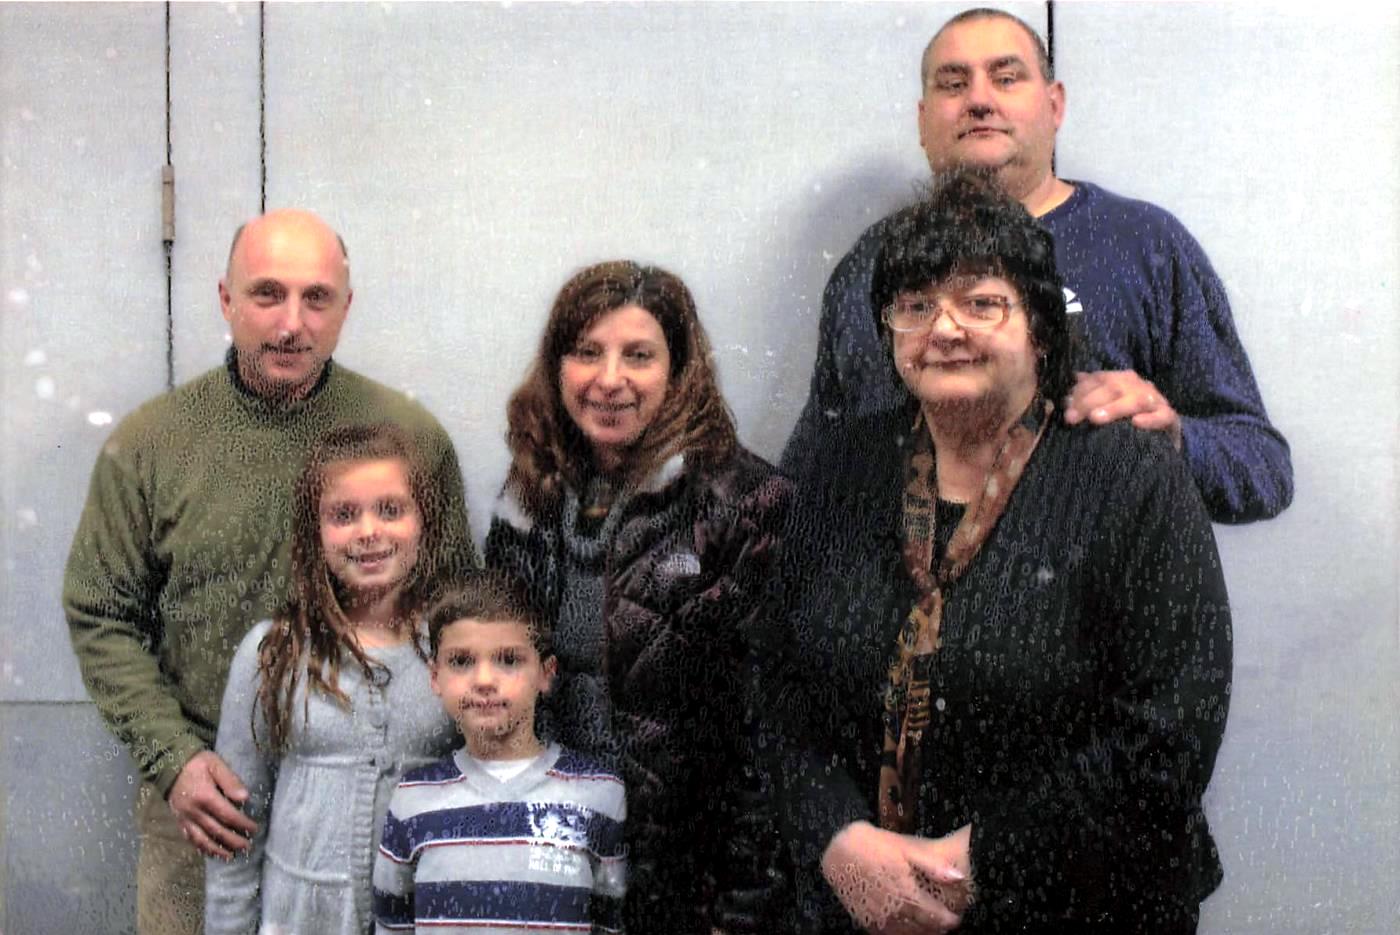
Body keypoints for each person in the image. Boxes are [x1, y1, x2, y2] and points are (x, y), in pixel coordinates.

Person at [761, 171, 1232, 933]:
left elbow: (1171, 731)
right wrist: (836, 837)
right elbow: (776, 685)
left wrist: (978, 861)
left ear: (1040, 327)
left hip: (1086, 907)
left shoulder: (1131, 474)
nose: (945, 329)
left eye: (982, 302)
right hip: (862, 903)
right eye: (916, 306)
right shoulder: (841, 468)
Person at [63, 209, 476, 934]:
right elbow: (102, 613)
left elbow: (458, 616)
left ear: (346, 307)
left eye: (316, 298)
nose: (292, 323)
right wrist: (174, 758)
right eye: (267, 294)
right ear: (226, 299)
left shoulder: (409, 439)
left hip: (384, 807)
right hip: (206, 805)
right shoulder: (152, 443)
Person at [782, 6, 1291, 524]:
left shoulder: (1146, 246)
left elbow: (1264, 471)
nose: (979, 100)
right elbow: (810, 480)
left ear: (1054, 104)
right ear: (922, 120)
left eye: (1006, 78)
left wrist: (1174, 437)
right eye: (953, 84)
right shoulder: (870, 264)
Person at [485, 260, 791, 933]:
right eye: (586, 351)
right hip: (551, 855)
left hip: (679, 883)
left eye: (639, 355)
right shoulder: (528, 492)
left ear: (680, 371)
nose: (609, 378)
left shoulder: (744, 504)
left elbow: (768, 741)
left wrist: (740, 914)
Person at [204, 424, 460, 933]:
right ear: (314, 532)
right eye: (344, 515)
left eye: (390, 510)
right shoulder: (272, 652)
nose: (369, 531)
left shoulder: (453, 650)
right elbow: (236, 826)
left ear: (424, 521)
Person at [372, 574, 628, 934]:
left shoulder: (599, 795)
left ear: (546, 673)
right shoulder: (412, 800)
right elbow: (391, 924)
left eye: (508, 660)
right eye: (461, 661)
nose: (484, 680)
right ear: (435, 677)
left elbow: (611, 923)